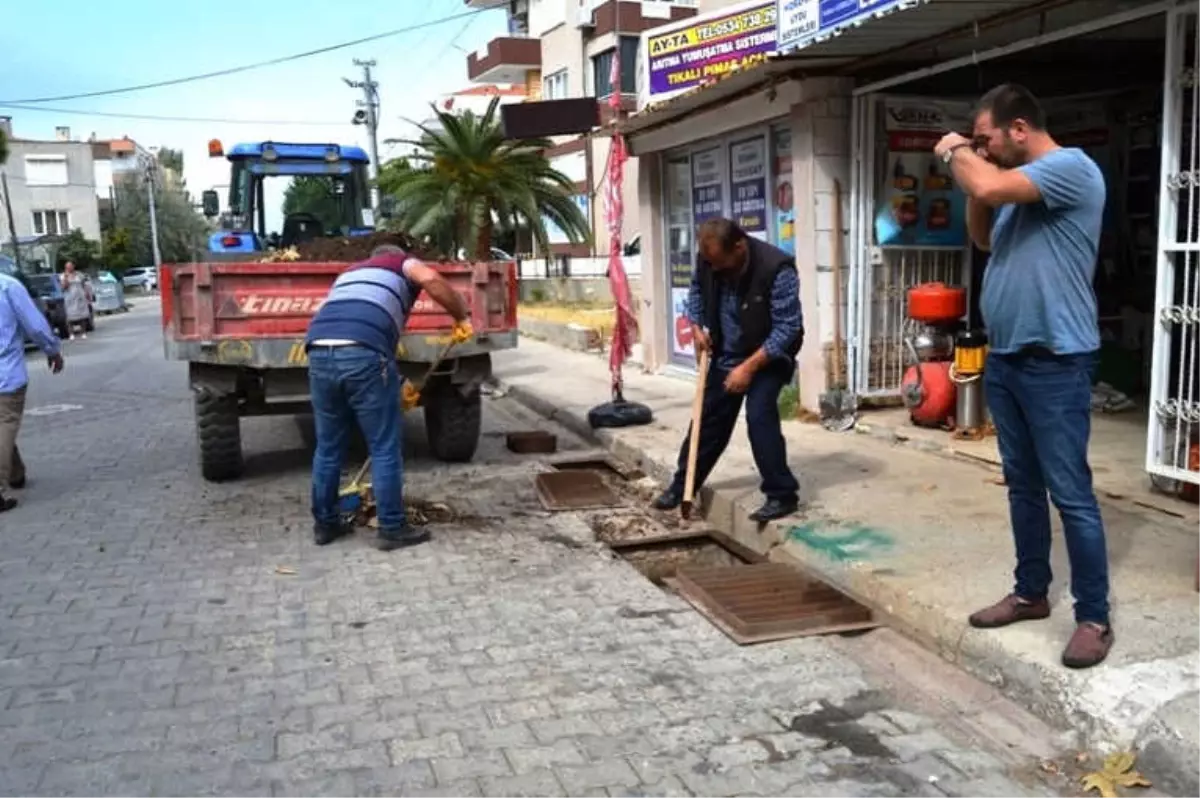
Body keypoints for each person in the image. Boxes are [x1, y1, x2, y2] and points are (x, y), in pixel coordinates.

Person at [934, 83, 1112, 669]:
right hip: (1008, 356)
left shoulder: (1069, 169)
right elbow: (982, 234)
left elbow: (982, 180)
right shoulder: (1013, 191)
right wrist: (979, 176)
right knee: (1022, 487)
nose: (982, 149)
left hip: (1056, 359)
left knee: (1071, 493)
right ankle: (1031, 592)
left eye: (987, 138)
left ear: (1018, 128)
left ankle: (1093, 616)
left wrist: (956, 153)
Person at [305, 245, 471, 551]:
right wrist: (461, 316)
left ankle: (325, 525)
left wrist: (396, 384)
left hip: (318, 350)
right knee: (384, 446)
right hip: (361, 351)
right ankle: (392, 527)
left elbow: (367, 333)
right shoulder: (401, 262)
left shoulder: (350, 274)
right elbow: (432, 280)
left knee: (328, 447)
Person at [651, 218, 803, 522]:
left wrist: (748, 368)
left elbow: (788, 327)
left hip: (768, 355)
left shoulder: (777, 269)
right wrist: (695, 327)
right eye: (711, 264)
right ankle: (684, 486)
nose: (716, 270)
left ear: (739, 246)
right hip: (726, 352)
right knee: (708, 421)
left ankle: (781, 495)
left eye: (721, 264)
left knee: (760, 417)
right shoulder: (710, 260)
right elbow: (696, 291)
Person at [0, 270, 64, 512]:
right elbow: (35, 326)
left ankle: (16, 473)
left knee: (3, 425)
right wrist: (52, 350)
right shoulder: (7, 286)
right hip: (5, 373)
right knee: (5, 423)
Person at [60, 262, 92, 340]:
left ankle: (83, 333)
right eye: (67, 267)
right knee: (70, 317)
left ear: (73, 266)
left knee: (82, 316)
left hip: (80, 297)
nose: (69, 268)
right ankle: (71, 334)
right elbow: (64, 287)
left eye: (70, 266)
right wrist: (66, 278)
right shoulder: (63, 276)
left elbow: (84, 285)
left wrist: (87, 294)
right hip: (70, 298)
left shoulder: (79, 275)